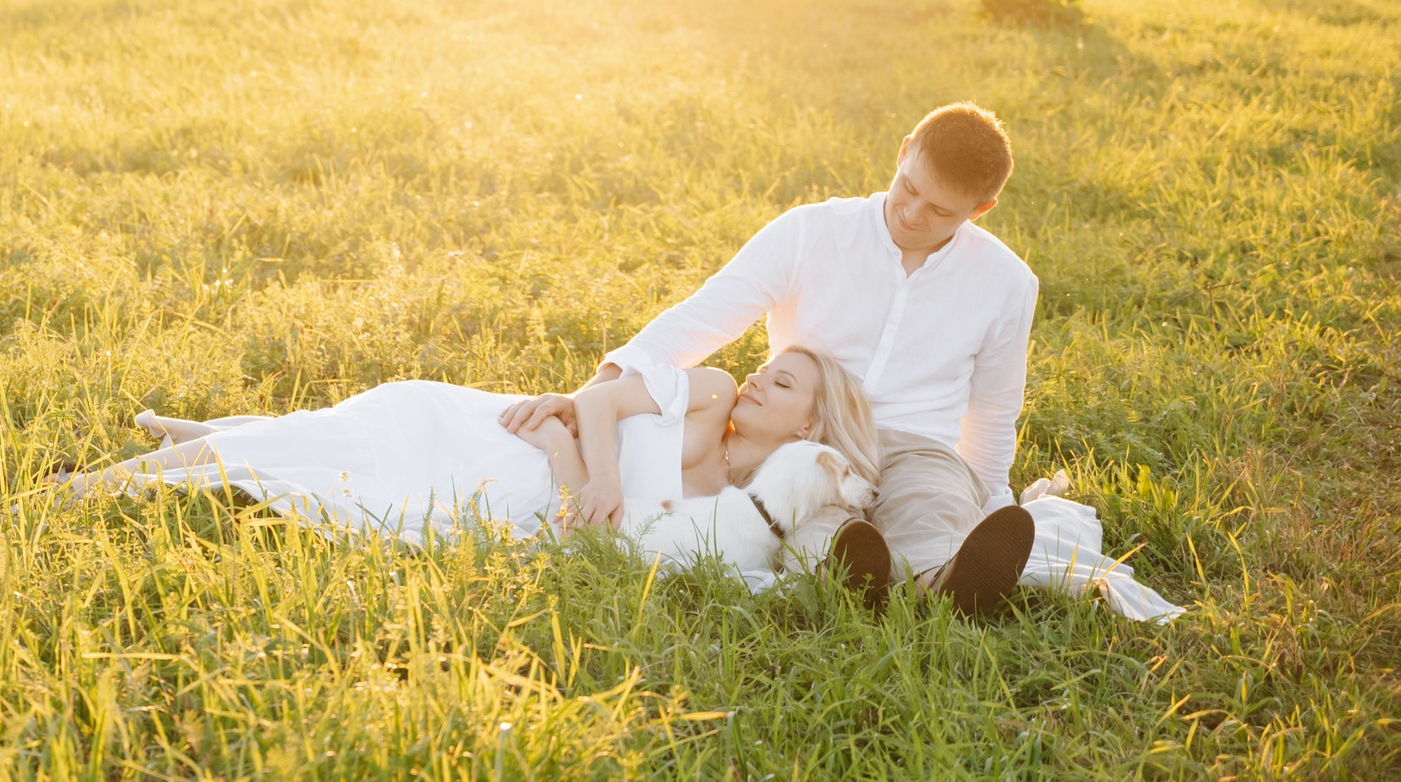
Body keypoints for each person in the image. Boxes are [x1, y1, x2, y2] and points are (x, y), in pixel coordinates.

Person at [500, 101, 1039, 613]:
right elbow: (705, 314)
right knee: (813, 524)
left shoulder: (1007, 282)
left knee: (933, 504)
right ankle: (847, 580)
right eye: (909, 187)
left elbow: (993, 407)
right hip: (801, 438)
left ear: (981, 209)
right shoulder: (812, 231)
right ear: (902, 154)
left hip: (915, 445)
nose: (912, 212)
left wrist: (991, 497)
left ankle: (943, 582)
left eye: (939, 210)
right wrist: (598, 386)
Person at [57, 346, 878, 553]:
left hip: (520, 490)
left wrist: (572, 473)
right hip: (489, 433)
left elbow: (593, 530)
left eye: (789, 381)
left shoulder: (737, 516)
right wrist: (589, 469)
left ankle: (219, 435)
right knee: (322, 439)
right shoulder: (714, 389)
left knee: (326, 475)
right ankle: (82, 487)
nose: (766, 376)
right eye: (774, 365)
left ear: (810, 428)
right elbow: (595, 399)